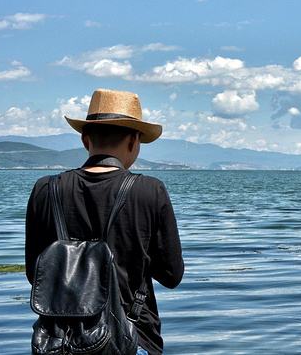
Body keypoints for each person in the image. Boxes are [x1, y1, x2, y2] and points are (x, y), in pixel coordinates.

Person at [25, 88, 185, 355]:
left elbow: (35, 274)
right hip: (133, 339)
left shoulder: (45, 189)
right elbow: (172, 275)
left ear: (85, 139)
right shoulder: (149, 190)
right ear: (134, 141)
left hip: (59, 343)